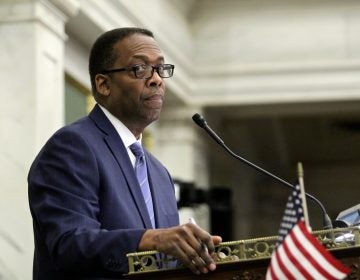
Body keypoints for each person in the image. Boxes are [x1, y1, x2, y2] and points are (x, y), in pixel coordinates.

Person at [28, 27, 222, 280]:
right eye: (139, 69)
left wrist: (199, 259)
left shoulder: (159, 173)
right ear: (104, 84)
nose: (157, 80)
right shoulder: (73, 146)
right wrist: (152, 239)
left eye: (160, 69)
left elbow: (161, 262)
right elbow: (69, 244)